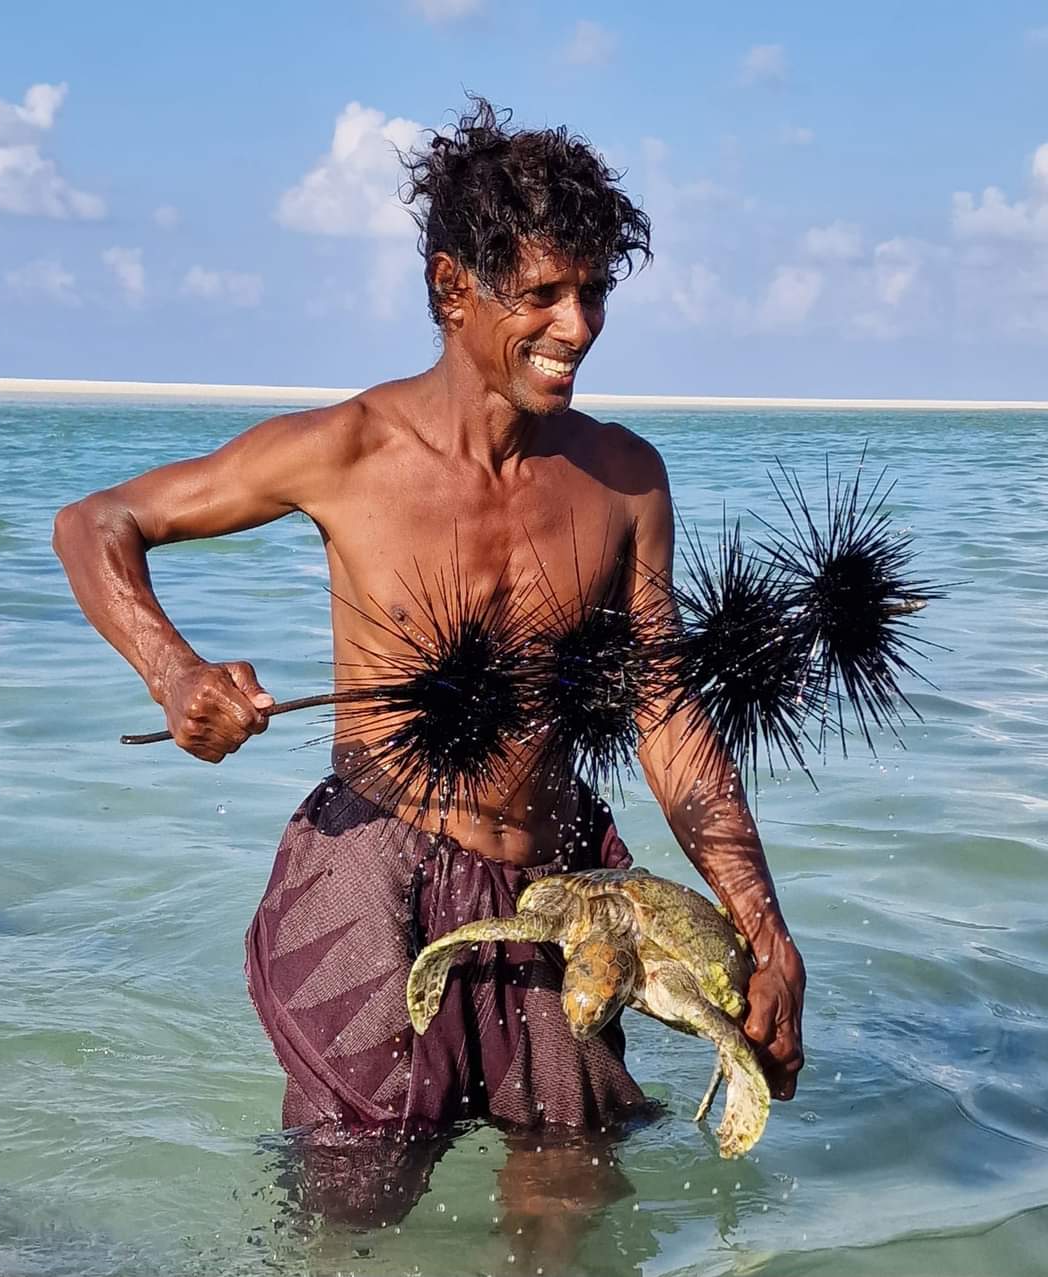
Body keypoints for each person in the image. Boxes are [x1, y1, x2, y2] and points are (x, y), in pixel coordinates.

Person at [53, 98, 804, 1223]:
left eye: (595, 290)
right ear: (455, 287)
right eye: (544, 293)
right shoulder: (346, 451)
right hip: (377, 869)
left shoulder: (627, 480)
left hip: (560, 877)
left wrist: (764, 921)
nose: (581, 324)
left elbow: (667, 709)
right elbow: (96, 521)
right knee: (354, 1193)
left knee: (568, 1190)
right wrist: (176, 674)